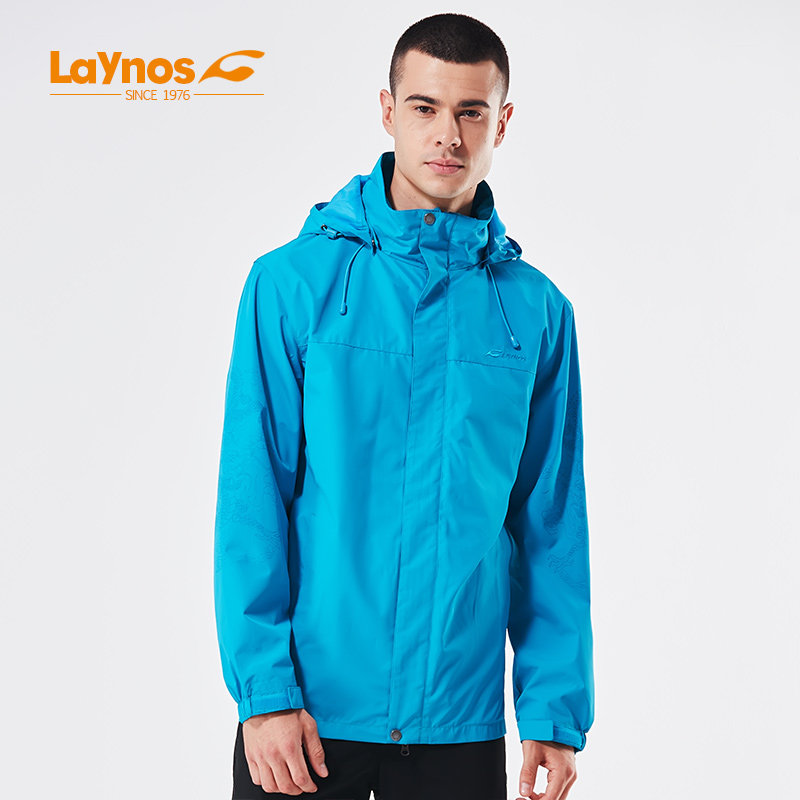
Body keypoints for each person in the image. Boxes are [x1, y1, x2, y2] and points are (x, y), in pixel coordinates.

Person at [213, 12, 594, 800]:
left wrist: (553, 709)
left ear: (502, 122)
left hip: (458, 724)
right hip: (305, 718)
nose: (447, 135)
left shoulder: (536, 312)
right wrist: (266, 693)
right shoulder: (292, 284)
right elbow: (252, 500)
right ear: (388, 112)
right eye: (425, 107)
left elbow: (550, 523)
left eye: (471, 112)